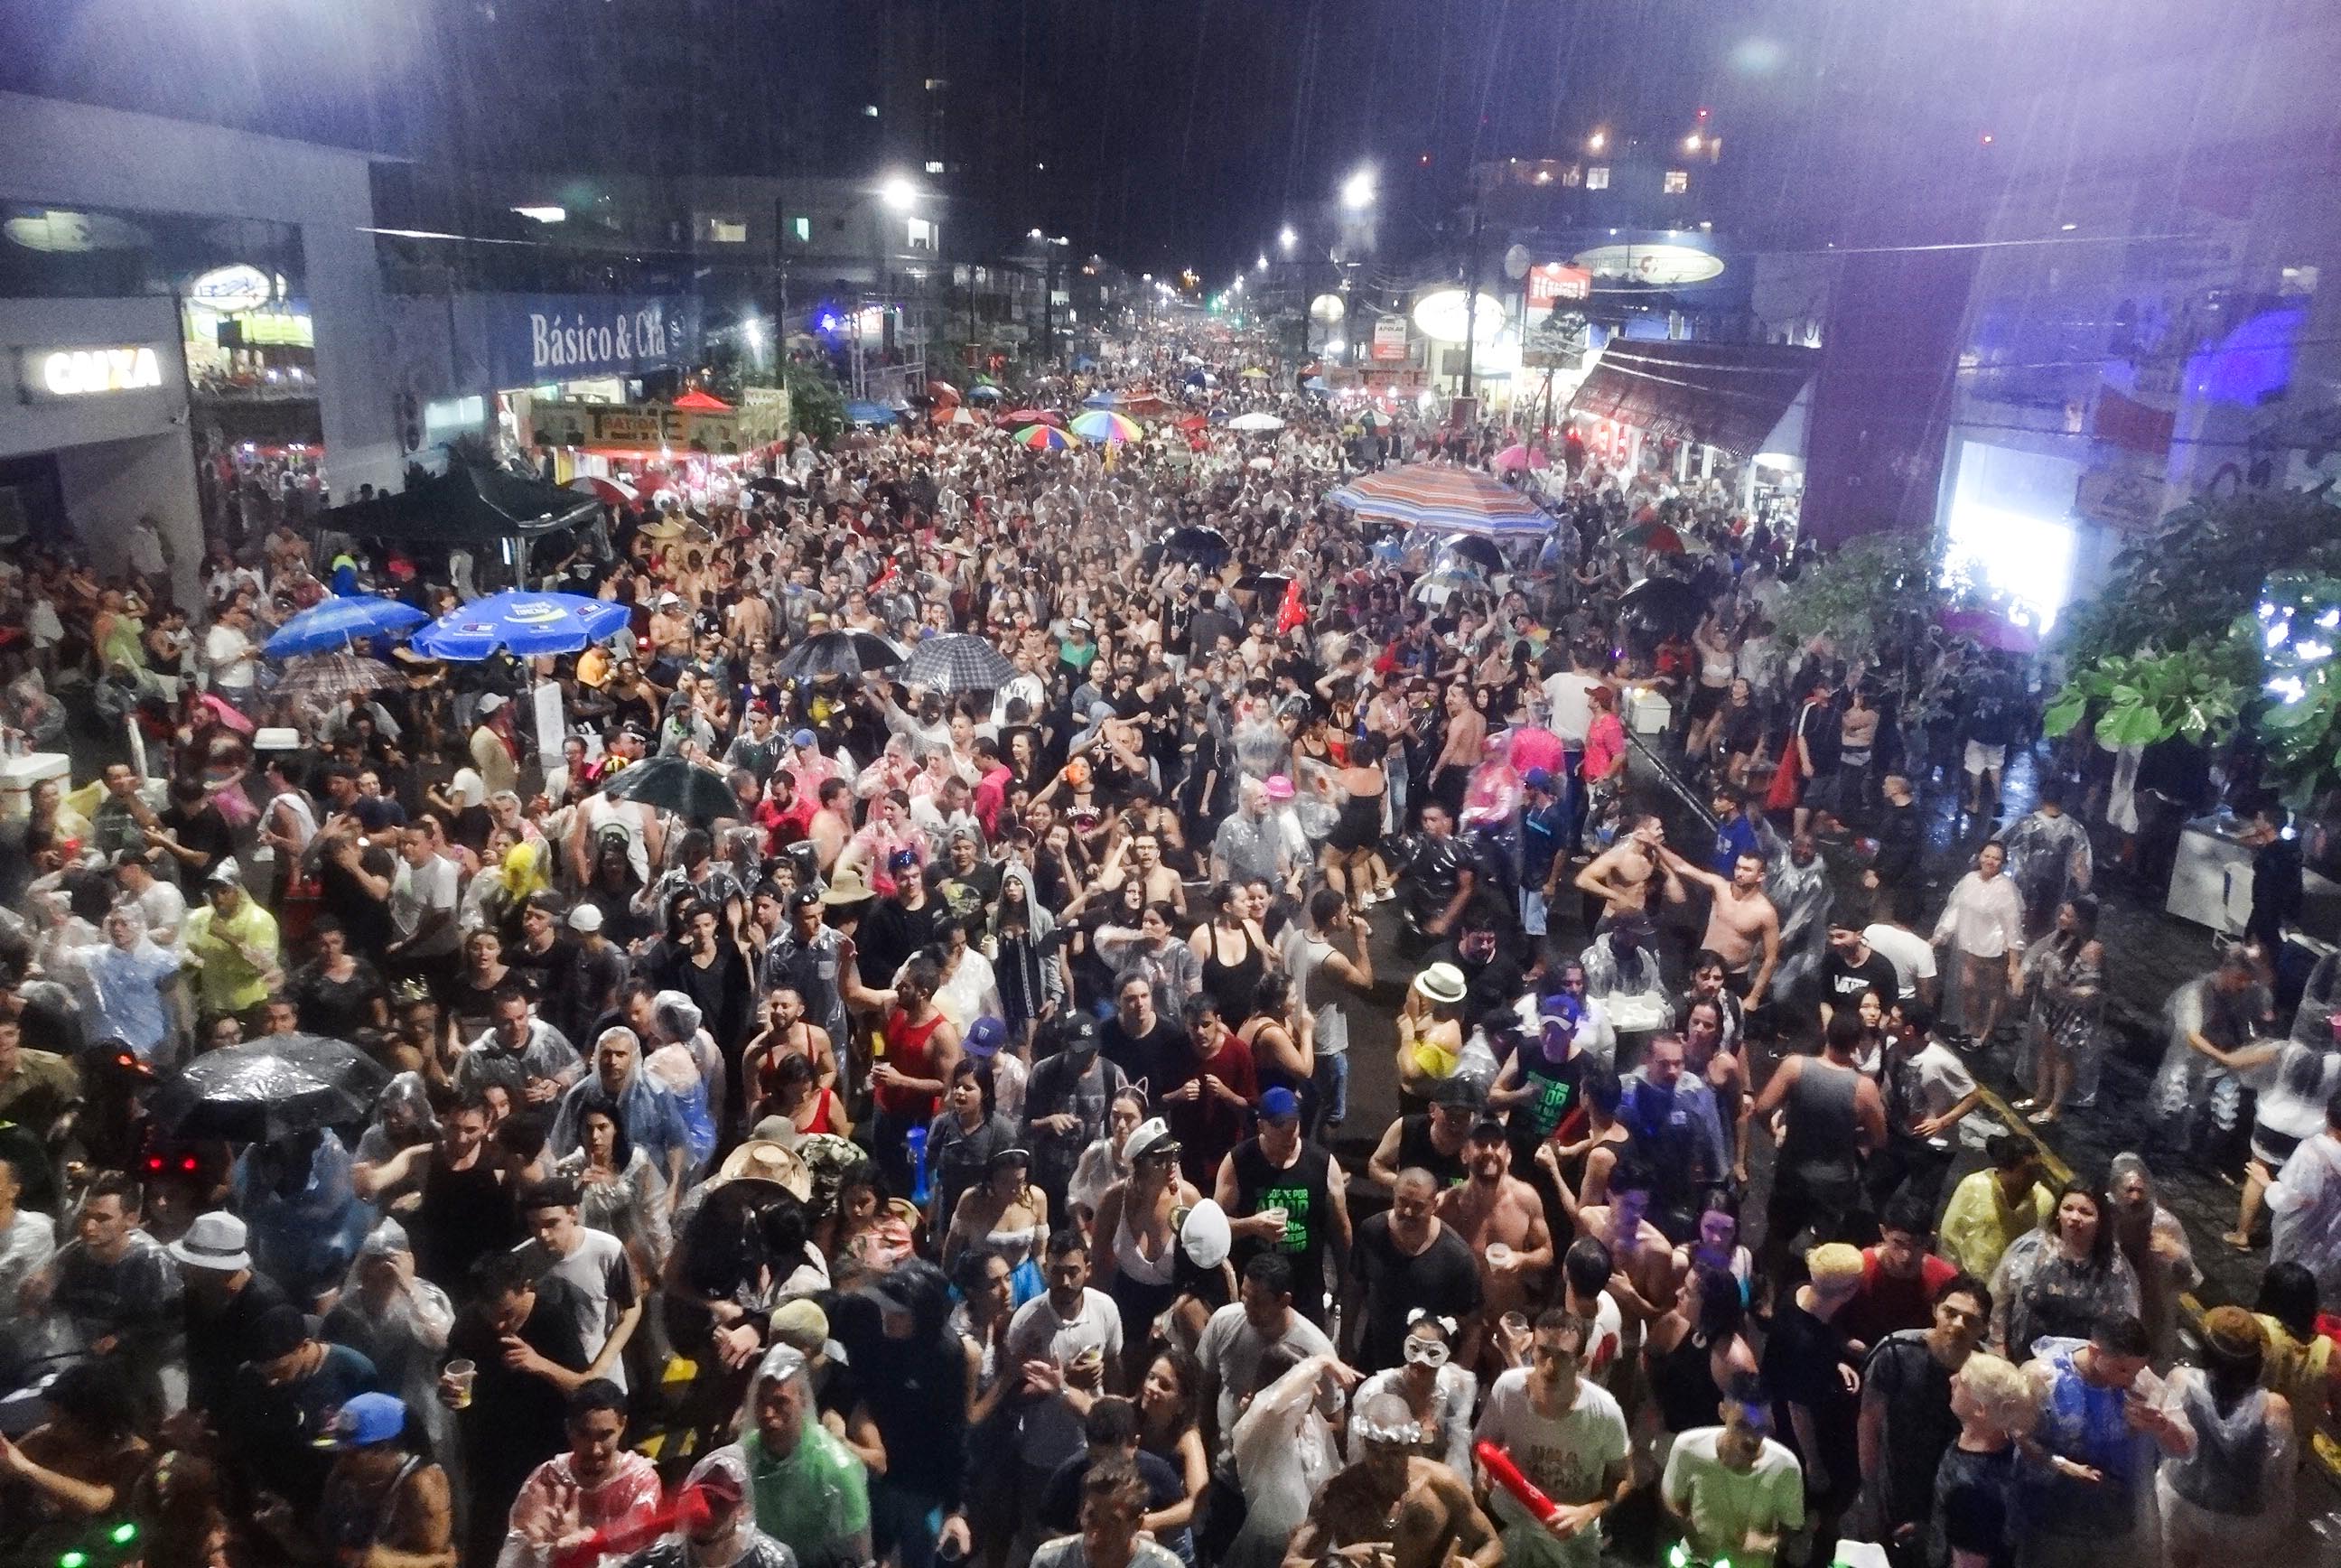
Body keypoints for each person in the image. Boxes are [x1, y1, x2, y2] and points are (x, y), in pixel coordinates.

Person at [2018, 1312, 2192, 1568]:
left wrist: (2161, 1425)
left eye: (2137, 1370)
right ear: (2094, 1352)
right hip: (2050, 1517)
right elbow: (2017, 1435)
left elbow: (2185, 1448)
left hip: (2115, 1522)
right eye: (2122, 1370)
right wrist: (2062, 1465)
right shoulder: (2043, 1377)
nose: (2130, 1379)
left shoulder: (2141, 1384)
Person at [1472, 1308, 1632, 1568]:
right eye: (1543, 1352)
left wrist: (1588, 1511)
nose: (1550, 1366)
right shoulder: (1508, 1389)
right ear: (1531, 1350)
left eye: (1562, 1357)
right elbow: (1482, 1444)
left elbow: (1624, 1477)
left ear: (1581, 1362)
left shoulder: (1604, 1412)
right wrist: (1484, 1469)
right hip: (1513, 1519)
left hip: (1570, 1532)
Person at [1855, 1273, 1991, 1568]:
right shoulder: (1896, 1351)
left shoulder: (1988, 1373)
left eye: (1970, 1320)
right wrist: (1871, 1495)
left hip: (1951, 1503)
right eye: (1951, 1313)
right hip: (1893, 1492)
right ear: (1935, 1310)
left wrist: (1939, 1525)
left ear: (1984, 1329)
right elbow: (1869, 1424)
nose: (1958, 1324)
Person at [1287, 1390, 1502, 1568]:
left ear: (1410, 1447)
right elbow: (1291, 1563)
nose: (1380, 1462)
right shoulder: (1336, 1493)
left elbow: (1492, 1544)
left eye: (1393, 1453)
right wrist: (1341, 1559)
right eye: (1373, 1450)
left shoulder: (1441, 1485)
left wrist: (1470, 1566)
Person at [2157, 1306, 2294, 1566]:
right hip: (2241, 1522)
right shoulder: (2275, 1408)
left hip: (2181, 1502)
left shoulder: (2181, 1380)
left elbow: (2162, 1439)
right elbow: (2279, 1473)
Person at [1214, 1086, 1350, 1330]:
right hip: (1255, 1291)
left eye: (1294, 1125)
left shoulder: (1322, 1163)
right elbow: (1215, 1227)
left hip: (1305, 1288)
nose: (1289, 1133)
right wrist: (1252, 1225)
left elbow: (1341, 1230)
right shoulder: (1239, 1161)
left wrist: (1345, 1282)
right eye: (1279, 1127)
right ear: (1261, 1126)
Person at [1762, 1242, 1865, 1564]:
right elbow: (1799, 1410)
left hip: (1782, 1397)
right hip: (1799, 1430)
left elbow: (1817, 1334)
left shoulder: (1797, 1291)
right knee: (1801, 1501)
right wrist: (1813, 1464)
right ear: (1848, 1292)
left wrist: (1835, 1361)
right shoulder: (1805, 1345)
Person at [500, 1379, 667, 1568]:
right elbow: (518, 1555)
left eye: (605, 1435)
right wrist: (546, 1547)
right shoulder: (549, 1479)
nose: (595, 1449)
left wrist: (586, 1548)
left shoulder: (639, 1482)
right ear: (569, 1429)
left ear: (622, 1425)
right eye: (585, 1435)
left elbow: (642, 1559)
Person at [1435, 1115, 1553, 1371]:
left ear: (1508, 1155)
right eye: (1480, 1144)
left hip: (1507, 1324)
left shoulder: (1525, 1199)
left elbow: (1547, 1253)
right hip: (1461, 1324)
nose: (1489, 1151)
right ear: (1464, 1154)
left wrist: (1520, 1259)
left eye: (1496, 1144)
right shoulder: (1449, 1205)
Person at [1344, 1166, 1482, 1374]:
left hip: (1427, 1370)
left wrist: (1456, 1380)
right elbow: (1354, 1290)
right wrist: (1345, 1347)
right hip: (1374, 1359)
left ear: (1434, 1205)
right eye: (1402, 1202)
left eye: (1418, 1206)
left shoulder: (1457, 1257)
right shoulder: (1371, 1231)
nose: (1408, 1212)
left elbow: (1472, 1329)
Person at [1661, 1374, 1807, 1568]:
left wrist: (1766, 1542)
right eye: (1743, 1426)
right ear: (1722, 1412)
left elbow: (1792, 1526)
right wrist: (1691, 1535)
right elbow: (1673, 1503)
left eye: (1761, 1428)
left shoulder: (1785, 1466)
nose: (1752, 1439)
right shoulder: (1688, 1448)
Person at [1987, 1180, 2140, 1361]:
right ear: (2057, 1213)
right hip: (2022, 1360)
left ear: (2100, 1220)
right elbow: (1999, 1299)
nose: (2074, 1217)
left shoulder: (2114, 1267)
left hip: (2082, 1367)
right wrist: (1997, 1344)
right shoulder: (2030, 1250)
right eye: (2068, 1209)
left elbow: (2125, 1325)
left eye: (2085, 1212)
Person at [1926, 1351, 2040, 1568]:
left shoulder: (1972, 1492)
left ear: (1980, 1410)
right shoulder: (2007, 1444)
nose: (1952, 1379)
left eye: (1963, 1382)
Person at [1348, 1311, 1478, 1473]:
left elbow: (1458, 1451)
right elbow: (1360, 1451)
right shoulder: (1377, 1390)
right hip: (1386, 1476)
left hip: (1434, 1477)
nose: (1421, 1360)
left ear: (1446, 1355)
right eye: (1415, 1349)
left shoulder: (1455, 1386)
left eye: (1433, 1353)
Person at [2012, 897, 2104, 1126]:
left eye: (2068, 916)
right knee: (2046, 1050)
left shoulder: (2092, 949)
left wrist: (2063, 991)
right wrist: (2024, 976)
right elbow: (2037, 956)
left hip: (2073, 1010)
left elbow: (2092, 989)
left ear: (2082, 921)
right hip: (2051, 1004)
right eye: (2062, 913)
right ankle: (2041, 1094)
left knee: (2063, 1057)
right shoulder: (2059, 937)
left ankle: (2055, 1106)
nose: (2062, 918)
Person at [1931, 843, 2023, 1049]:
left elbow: (2013, 927)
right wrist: (1940, 936)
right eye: (1987, 856)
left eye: (1996, 858)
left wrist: (2013, 963)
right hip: (1969, 943)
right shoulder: (1969, 880)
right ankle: (1974, 1028)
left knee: (1993, 993)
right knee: (1968, 987)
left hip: (1994, 949)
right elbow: (1955, 910)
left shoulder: (2005, 888)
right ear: (1980, 856)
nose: (1990, 861)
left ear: (2002, 862)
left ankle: (1986, 1034)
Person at [1938, 1136, 2053, 1283]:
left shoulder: (2044, 1201)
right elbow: (1949, 1235)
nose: (2035, 1177)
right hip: (1966, 1280)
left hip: (2008, 1285)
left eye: (2038, 1170)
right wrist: (1953, 1278)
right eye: (2028, 1172)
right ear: (2005, 1168)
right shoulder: (1973, 1186)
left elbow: (2036, 1250)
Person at [1031, 1461, 1184, 1568]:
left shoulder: (1165, 1566)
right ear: (1080, 1514)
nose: (1097, 1533)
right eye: (1091, 1517)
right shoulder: (1051, 1561)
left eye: (1113, 1522)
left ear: (1136, 1525)